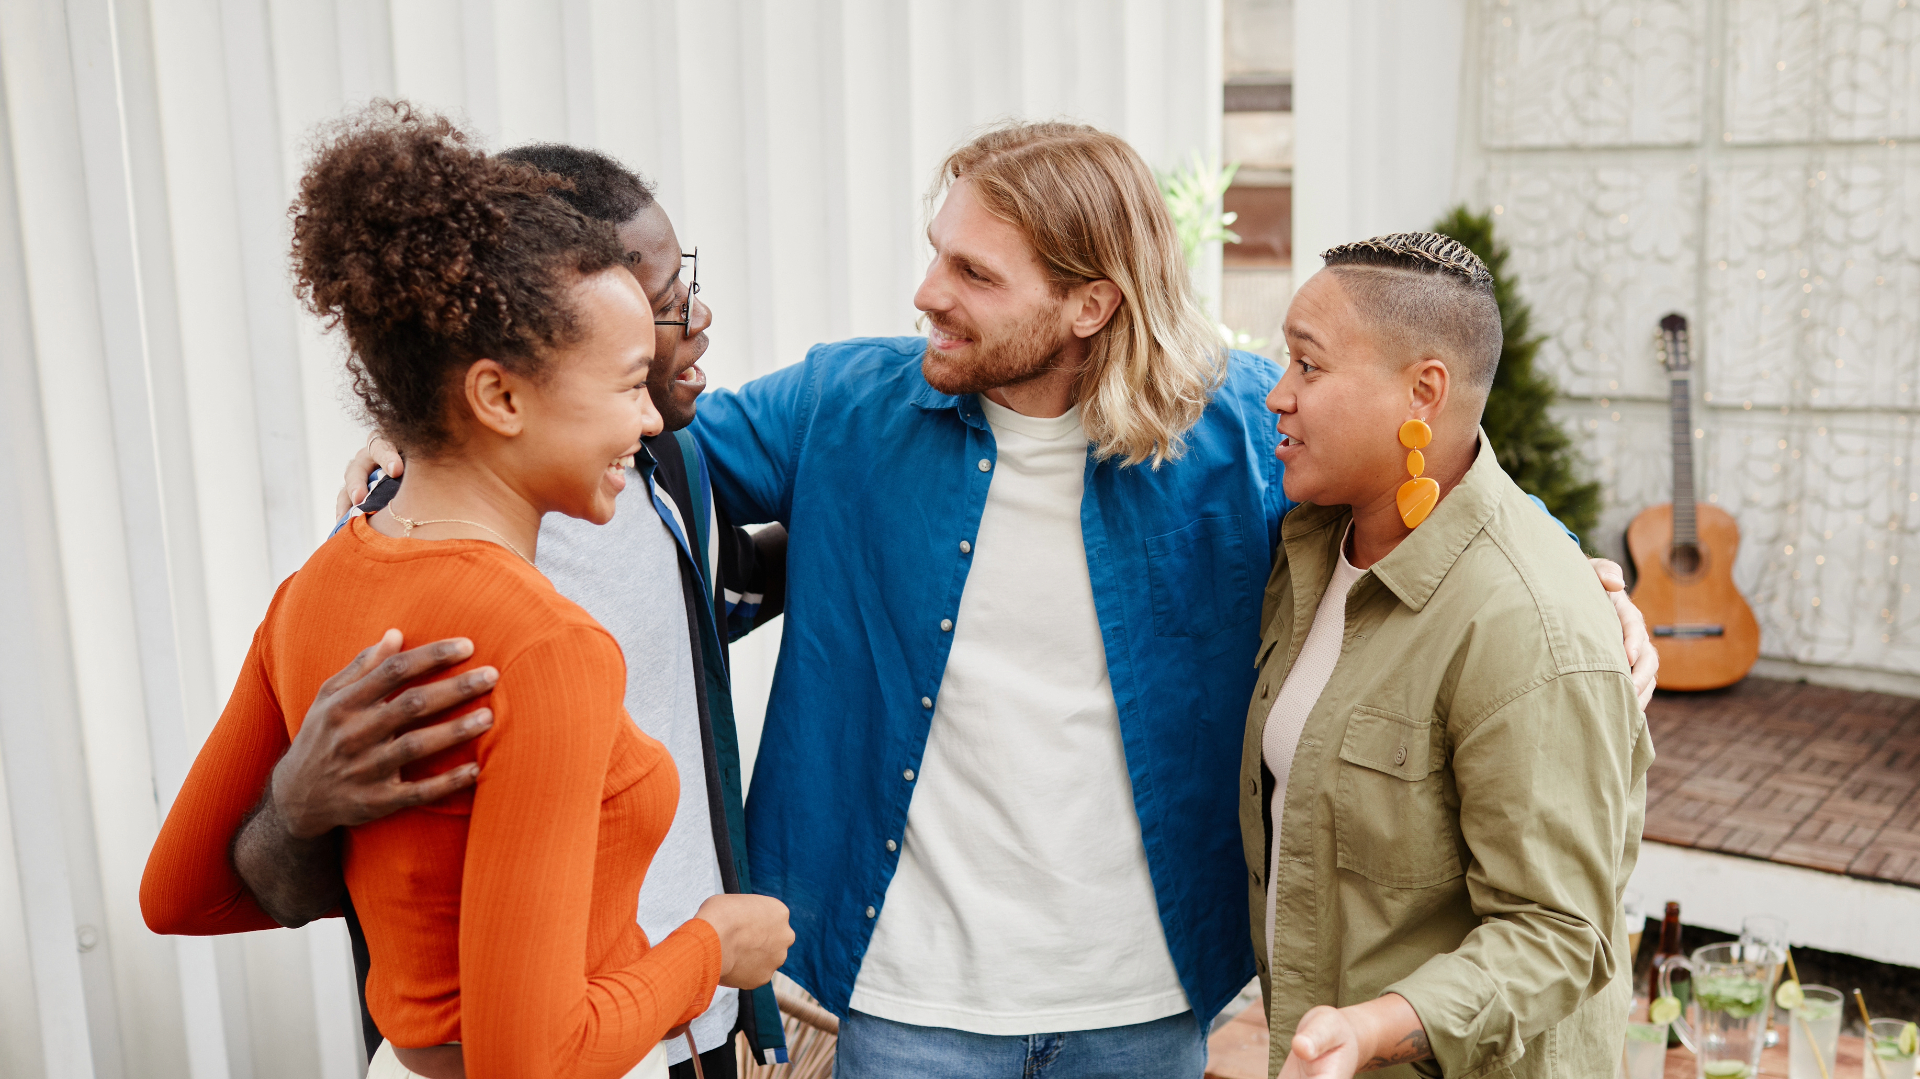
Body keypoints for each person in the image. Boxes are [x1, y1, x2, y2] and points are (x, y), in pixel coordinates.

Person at [325, 121, 1657, 1077]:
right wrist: (426, 442)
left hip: (1148, 991)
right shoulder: (846, 406)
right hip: (905, 992)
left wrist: (1579, 585)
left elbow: (1429, 468)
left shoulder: (1245, 429)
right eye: (935, 256)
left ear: (1087, 304)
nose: (927, 295)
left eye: (974, 275)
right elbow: (614, 449)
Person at [140, 103, 791, 1079]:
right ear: (498, 395)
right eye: (625, 378)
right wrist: (712, 950)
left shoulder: (317, 590)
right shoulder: (548, 643)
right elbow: (523, 1060)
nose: (647, 415)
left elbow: (173, 898)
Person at [1242, 233, 1652, 1079]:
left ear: (1423, 391)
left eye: (1308, 367)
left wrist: (1374, 1028)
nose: (1277, 395)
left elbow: (1560, 933)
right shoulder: (1314, 543)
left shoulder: (1528, 625)